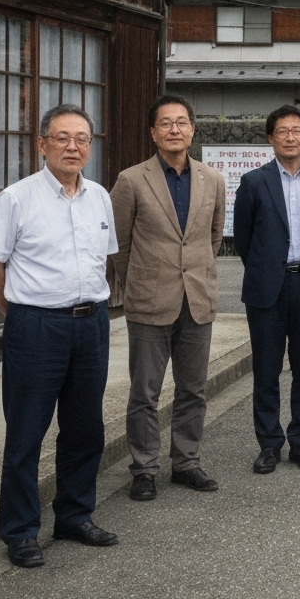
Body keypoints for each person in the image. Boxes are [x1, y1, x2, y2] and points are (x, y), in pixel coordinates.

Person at [0, 104, 119, 569]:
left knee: (85, 429)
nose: (72, 146)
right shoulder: (16, 198)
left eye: (81, 138)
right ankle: (19, 531)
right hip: (36, 327)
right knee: (26, 433)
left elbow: (105, 260)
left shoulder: (99, 196)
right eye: (61, 138)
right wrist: (18, 314)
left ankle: (75, 515)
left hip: (91, 325)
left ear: (91, 145)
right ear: (42, 145)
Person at [110, 94, 226, 503]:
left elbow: (213, 237)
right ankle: (144, 468)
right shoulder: (131, 180)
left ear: (192, 129)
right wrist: (139, 282)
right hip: (148, 299)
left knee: (193, 389)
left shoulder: (212, 179)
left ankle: (186, 462)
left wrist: (195, 274)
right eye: (166, 123)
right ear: (152, 132)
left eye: (182, 122)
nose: (174, 129)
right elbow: (118, 244)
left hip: (197, 298)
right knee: (145, 391)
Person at [233, 105, 300, 474]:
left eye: (297, 130)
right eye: (282, 131)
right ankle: (269, 444)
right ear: (270, 138)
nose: (290, 137)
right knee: (266, 370)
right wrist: (266, 269)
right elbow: (243, 240)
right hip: (267, 288)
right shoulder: (253, 182)